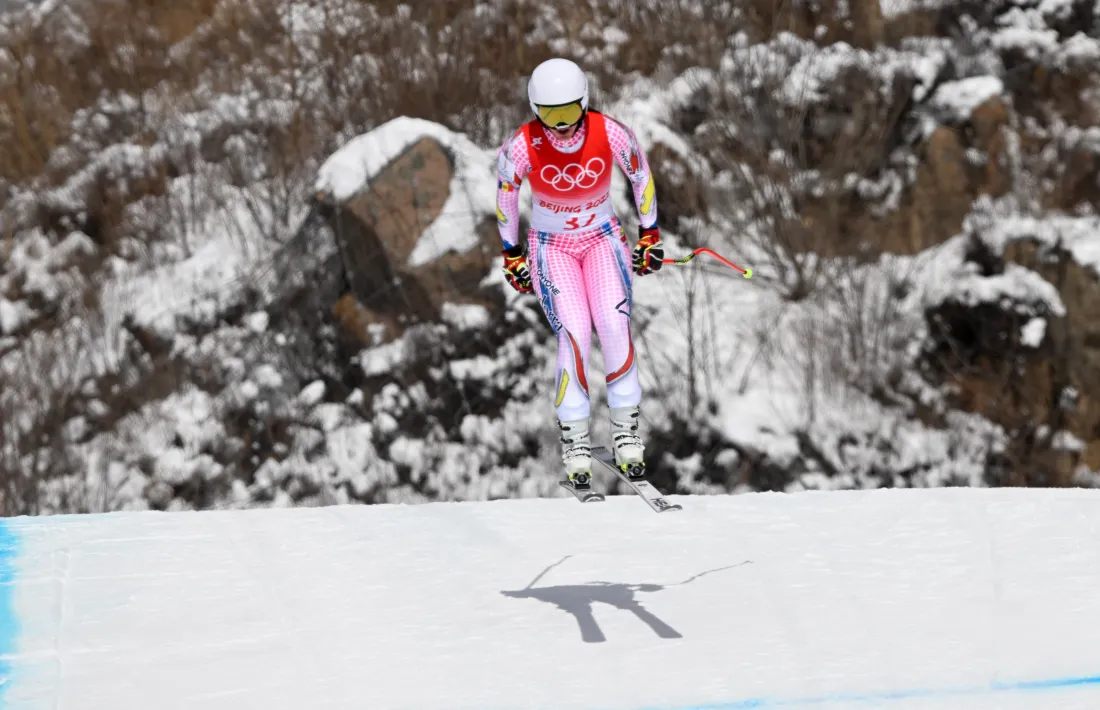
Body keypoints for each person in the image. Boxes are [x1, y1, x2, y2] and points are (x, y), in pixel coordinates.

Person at [494, 57, 664, 488]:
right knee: (573, 331)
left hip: (602, 239)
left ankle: (626, 431)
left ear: (584, 104)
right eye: (550, 115)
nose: (561, 126)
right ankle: (575, 440)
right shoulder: (522, 145)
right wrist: (511, 252)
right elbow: (506, 197)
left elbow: (640, 175)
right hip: (553, 248)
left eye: (569, 113)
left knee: (613, 322)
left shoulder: (610, 132)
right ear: (535, 110)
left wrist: (650, 235)